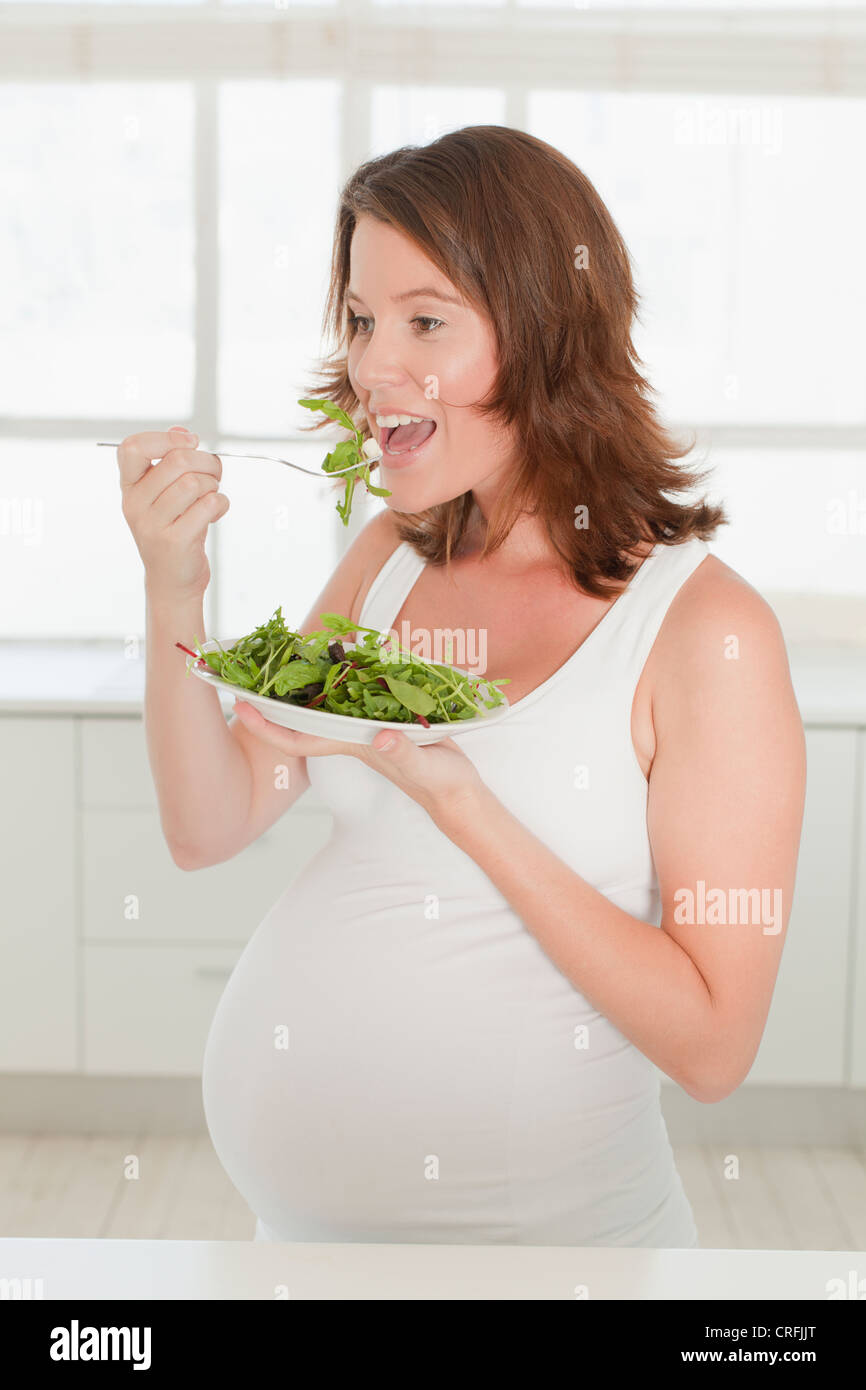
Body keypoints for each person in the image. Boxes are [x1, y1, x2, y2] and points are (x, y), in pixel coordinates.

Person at [118, 126, 806, 1247]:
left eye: (424, 321)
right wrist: (171, 595)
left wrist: (465, 803)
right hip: (302, 1257)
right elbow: (210, 822)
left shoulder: (699, 632)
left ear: (543, 333)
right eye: (358, 319)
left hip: (557, 1265)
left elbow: (713, 1044)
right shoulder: (392, 556)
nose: (370, 365)